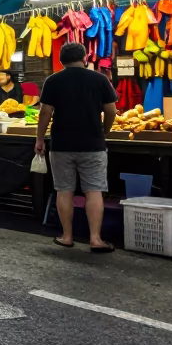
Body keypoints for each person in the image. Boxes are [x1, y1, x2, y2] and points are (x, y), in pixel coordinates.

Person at [35, 42, 117, 253]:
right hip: (93, 144)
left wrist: (39, 139)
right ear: (85, 58)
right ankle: (95, 239)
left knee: (64, 190)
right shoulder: (100, 78)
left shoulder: (53, 80)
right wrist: (104, 131)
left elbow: (45, 112)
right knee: (94, 190)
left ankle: (67, 236)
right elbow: (111, 110)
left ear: (62, 61)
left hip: (62, 144)